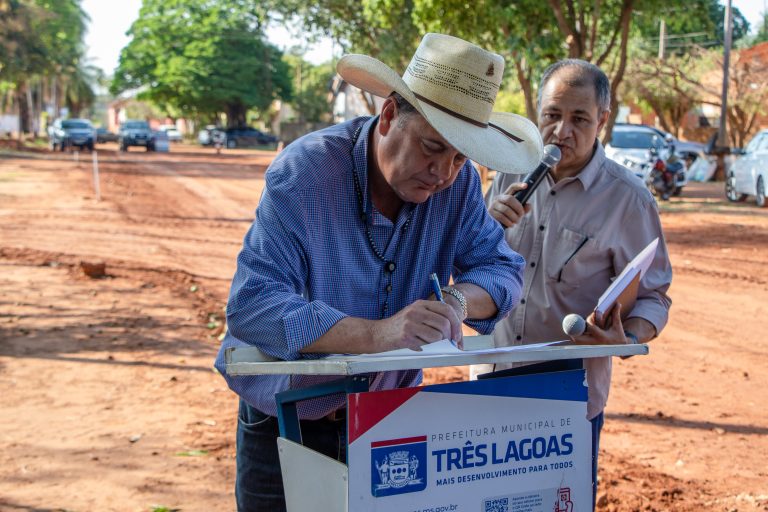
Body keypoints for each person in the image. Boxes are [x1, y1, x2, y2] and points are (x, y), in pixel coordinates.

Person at [214, 33, 543, 512]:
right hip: (287, 423)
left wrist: (455, 302)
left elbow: (501, 270)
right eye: (433, 147)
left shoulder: (458, 185)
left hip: (388, 423)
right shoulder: (306, 174)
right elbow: (253, 307)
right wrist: (379, 334)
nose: (443, 173)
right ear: (389, 116)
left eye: (458, 157)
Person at [484, 59, 672, 507]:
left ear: (602, 120)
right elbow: (474, 266)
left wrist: (627, 335)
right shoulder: (509, 174)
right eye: (551, 115)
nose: (561, 131)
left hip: (568, 396)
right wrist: (486, 228)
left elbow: (654, 295)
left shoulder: (627, 199)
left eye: (579, 119)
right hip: (490, 382)